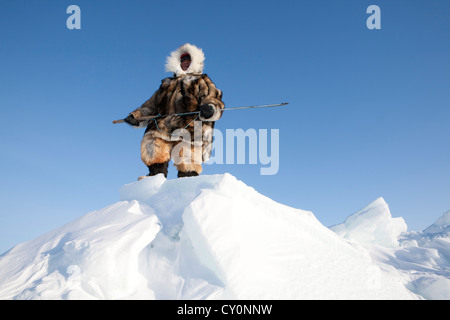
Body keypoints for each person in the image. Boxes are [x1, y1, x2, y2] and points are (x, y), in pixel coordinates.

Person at [123, 43, 225, 179]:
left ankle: (187, 181)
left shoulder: (201, 81)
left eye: (188, 60)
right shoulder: (167, 85)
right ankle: (154, 178)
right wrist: (136, 116)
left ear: (195, 62)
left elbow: (213, 98)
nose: (185, 63)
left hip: (189, 127)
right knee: (153, 145)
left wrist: (210, 108)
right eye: (182, 60)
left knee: (187, 158)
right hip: (162, 127)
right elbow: (150, 105)